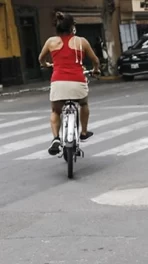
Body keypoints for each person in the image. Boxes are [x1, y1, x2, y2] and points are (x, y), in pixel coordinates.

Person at [38, 12, 100, 156]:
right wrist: (96, 70)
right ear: (72, 26)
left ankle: (56, 139)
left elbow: (41, 58)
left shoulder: (51, 42)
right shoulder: (81, 41)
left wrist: (47, 64)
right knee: (83, 104)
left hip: (58, 82)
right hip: (77, 82)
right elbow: (95, 61)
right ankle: (83, 132)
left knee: (55, 111)